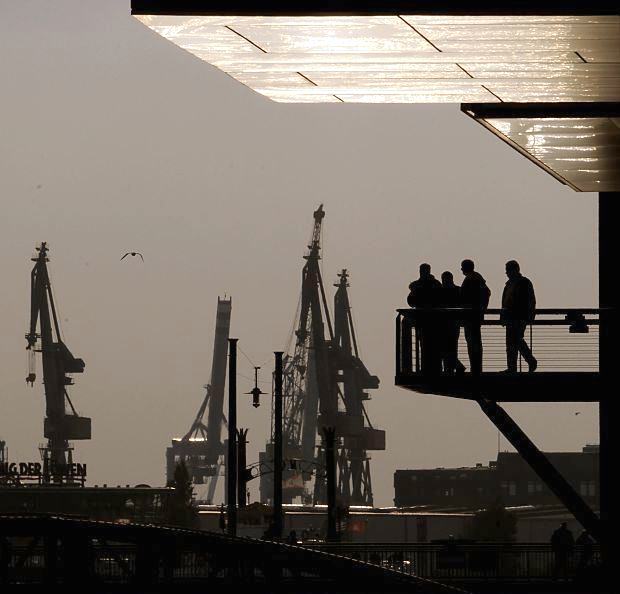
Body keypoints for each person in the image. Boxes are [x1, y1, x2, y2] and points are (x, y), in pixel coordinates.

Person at [501, 260, 537, 373]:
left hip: (519, 317)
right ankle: (514, 367)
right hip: (511, 317)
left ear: (515, 270)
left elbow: (530, 301)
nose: (506, 273)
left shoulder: (523, 283)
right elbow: (505, 302)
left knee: (515, 340)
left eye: (508, 270)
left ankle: (529, 361)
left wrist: (528, 316)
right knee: (512, 342)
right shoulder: (511, 284)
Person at [407, 264, 442, 374]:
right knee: (433, 345)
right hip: (433, 320)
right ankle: (435, 368)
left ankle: (428, 368)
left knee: (427, 345)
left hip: (424, 319)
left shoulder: (418, 286)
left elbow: (411, 301)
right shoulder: (436, 284)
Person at [459, 259, 490, 374]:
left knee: (473, 342)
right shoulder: (477, 278)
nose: (461, 269)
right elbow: (487, 293)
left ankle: (476, 368)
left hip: (471, 316)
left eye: (462, 267)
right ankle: (476, 367)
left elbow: (466, 297)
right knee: (475, 342)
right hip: (474, 316)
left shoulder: (472, 279)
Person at [439, 271, 465, 374]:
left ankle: (450, 368)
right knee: (452, 346)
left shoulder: (440, 291)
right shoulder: (458, 290)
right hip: (454, 323)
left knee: (444, 347)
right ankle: (452, 368)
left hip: (444, 323)